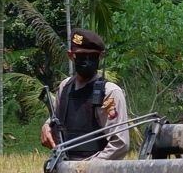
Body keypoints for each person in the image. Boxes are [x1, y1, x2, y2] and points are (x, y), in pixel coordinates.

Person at [40, 28, 129, 159]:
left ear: (100, 56)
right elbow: (57, 119)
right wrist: (47, 126)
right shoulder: (65, 87)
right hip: (63, 168)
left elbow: (120, 144)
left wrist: (87, 168)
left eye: (92, 56)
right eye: (81, 56)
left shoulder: (109, 92)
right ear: (71, 55)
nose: (86, 61)